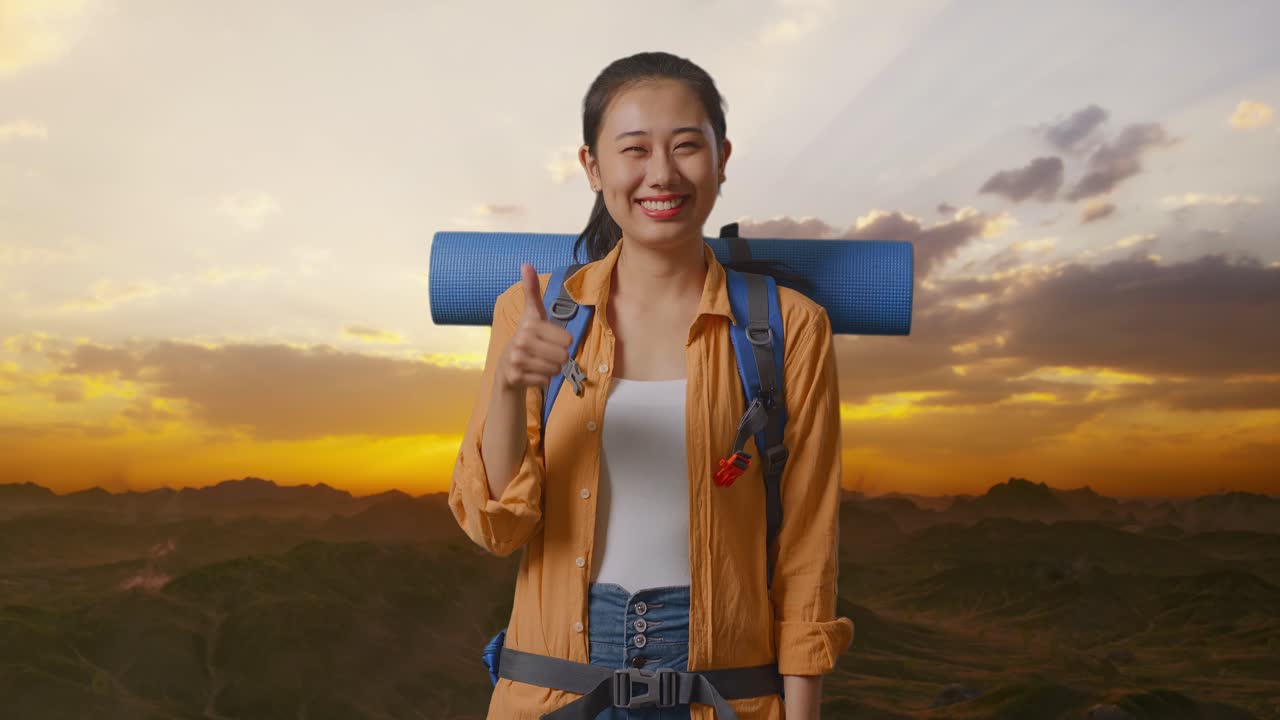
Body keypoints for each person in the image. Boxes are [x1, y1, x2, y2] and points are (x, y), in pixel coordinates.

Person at [448, 50, 853, 720]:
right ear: (592, 167)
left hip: (725, 695)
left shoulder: (791, 327)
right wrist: (508, 386)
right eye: (633, 149)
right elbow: (496, 529)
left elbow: (808, 548)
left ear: (721, 158)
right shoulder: (531, 312)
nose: (661, 173)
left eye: (687, 146)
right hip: (553, 693)